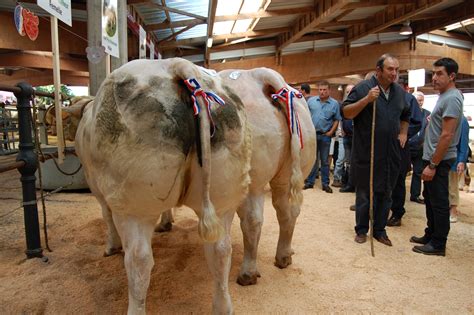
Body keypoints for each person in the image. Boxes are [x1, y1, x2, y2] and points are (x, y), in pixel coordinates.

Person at [343, 54, 410, 246]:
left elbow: (406, 114)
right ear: (379, 70)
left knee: (386, 193)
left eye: (397, 69)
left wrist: (403, 133)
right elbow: (346, 112)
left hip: (391, 152)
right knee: (365, 193)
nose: (394, 73)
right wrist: (366, 100)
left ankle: (380, 230)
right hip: (367, 151)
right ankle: (362, 230)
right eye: (390, 69)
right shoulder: (363, 88)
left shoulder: (399, 92)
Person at [411, 57, 463, 256]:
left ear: (452, 76)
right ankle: (430, 234)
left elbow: (447, 134)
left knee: (439, 202)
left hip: (439, 160)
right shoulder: (444, 96)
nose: (434, 77)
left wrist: (433, 164)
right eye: (433, 73)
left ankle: (438, 243)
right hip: (433, 157)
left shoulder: (452, 98)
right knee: (431, 198)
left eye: (439, 73)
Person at [387, 90, 423, 226]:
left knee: (398, 180)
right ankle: (380, 210)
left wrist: (403, 132)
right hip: (381, 145)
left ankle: (397, 214)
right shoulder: (378, 95)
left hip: (399, 145)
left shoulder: (407, 98)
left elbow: (417, 122)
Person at [304, 81, 341, 193]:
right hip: (312, 135)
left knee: (325, 161)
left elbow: (337, 119)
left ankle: (325, 184)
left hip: (325, 135)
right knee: (312, 159)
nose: (322, 92)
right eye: (320, 89)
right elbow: (305, 115)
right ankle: (310, 182)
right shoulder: (311, 101)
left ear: (329, 90)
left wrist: (331, 132)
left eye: (325, 89)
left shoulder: (334, 104)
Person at [409, 91, 431, 204]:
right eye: (418, 100)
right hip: (407, 146)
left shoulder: (428, 114)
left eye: (422, 100)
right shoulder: (407, 112)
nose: (420, 102)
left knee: (418, 172)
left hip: (420, 147)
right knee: (401, 171)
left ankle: (415, 195)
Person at [448, 114, 469, 222]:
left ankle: (453, 210)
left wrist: (461, 160)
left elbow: (464, 142)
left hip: (454, 158)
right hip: (443, 157)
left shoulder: (462, 120)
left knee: (453, 185)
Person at [340, 84, 356, 193]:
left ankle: (354, 184)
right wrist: (342, 129)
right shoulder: (344, 105)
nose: (349, 93)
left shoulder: (357, 104)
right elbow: (341, 119)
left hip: (356, 138)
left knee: (355, 163)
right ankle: (348, 184)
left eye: (351, 91)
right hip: (346, 138)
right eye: (347, 91)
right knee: (348, 162)